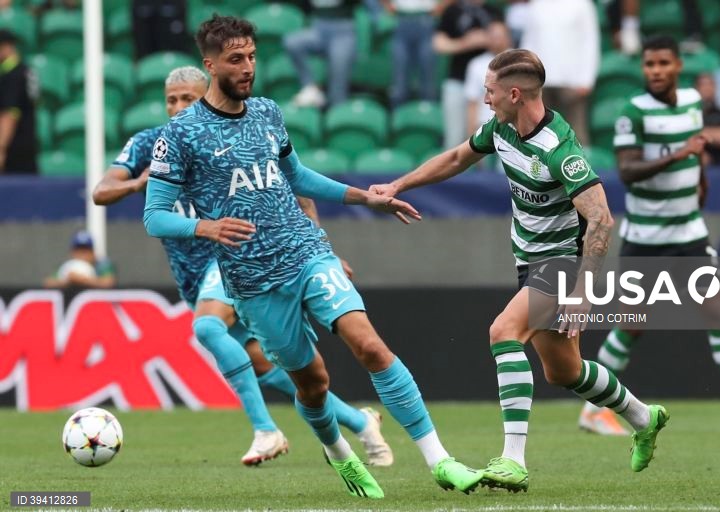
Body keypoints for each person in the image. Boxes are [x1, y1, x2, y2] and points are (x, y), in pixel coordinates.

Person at [143, 15, 481, 499]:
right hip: (253, 281)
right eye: (236, 59)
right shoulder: (180, 135)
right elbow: (154, 216)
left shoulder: (267, 113)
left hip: (305, 253)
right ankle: (341, 455)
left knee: (369, 345)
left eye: (252, 57)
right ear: (210, 64)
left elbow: (297, 177)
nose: (248, 68)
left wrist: (366, 198)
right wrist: (205, 226)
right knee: (312, 383)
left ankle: (441, 461)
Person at [370, 48, 669, 492]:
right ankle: (645, 418)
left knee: (503, 332)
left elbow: (602, 218)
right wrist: (398, 184)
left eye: (489, 91)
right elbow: (456, 159)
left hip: (563, 264)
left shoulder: (560, 151)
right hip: (530, 261)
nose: (484, 98)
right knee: (563, 372)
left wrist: (584, 293)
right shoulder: (501, 128)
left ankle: (513, 460)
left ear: (513, 93)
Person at [94, 65, 393, 468]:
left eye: (187, 98)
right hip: (194, 276)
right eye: (171, 99)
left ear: (206, 97)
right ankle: (361, 421)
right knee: (265, 366)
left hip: (238, 257)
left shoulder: (235, 131)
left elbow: (296, 189)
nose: (178, 106)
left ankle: (266, 431)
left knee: (206, 327)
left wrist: (318, 247)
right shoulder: (153, 143)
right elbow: (101, 191)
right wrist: (136, 183)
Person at [578, 35, 720, 436]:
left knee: (718, 313)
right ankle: (593, 411)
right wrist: (677, 155)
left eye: (664, 63)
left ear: (678, 65)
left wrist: (699, 177)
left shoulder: (691, 103)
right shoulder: (634, 112)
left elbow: (697, 149)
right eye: (650, 65)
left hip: (689, 231)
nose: (657, 71)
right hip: (647, 235)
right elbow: (627, 171)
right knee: (633, 322)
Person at [519, 0, 599, 146]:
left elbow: (590, 41)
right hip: (540, 82)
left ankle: (580, 168)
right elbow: (529, 42)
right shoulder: (536, 5)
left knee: (577, 134)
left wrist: (587, 80)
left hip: (573, 82)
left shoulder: (582, 4)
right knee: (539, 134)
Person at [433, 0, 504, 149]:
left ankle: (484, 173)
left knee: (489, 136)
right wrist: (466, 42)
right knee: (455, 138)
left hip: (488, 84)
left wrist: (489, 39)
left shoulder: (493, 11)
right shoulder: (453, 9)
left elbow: (504, 39)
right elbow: (438, 44)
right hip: (457, 79)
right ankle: (454, 173)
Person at [284, 0, 357, 108]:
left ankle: (336, 115)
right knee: (292, 43)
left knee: (337, 88)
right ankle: (310, 87)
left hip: (343, 31)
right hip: (319, 28)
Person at [0, 29, 37, 174]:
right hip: (28, 146)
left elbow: (10, 115)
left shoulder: (12, 75)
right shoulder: (26, 70)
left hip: (14, 151)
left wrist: (1, 148)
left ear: (6, 46)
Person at [43, 230, 116, 289]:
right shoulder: (68, 266)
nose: (82, 254)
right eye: (78, 250)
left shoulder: (102, 264)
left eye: (85, 250)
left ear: (93, 253)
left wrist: (83, 280)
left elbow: (109, 282)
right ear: (72, 253)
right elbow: (48, 283)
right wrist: (68, 281)